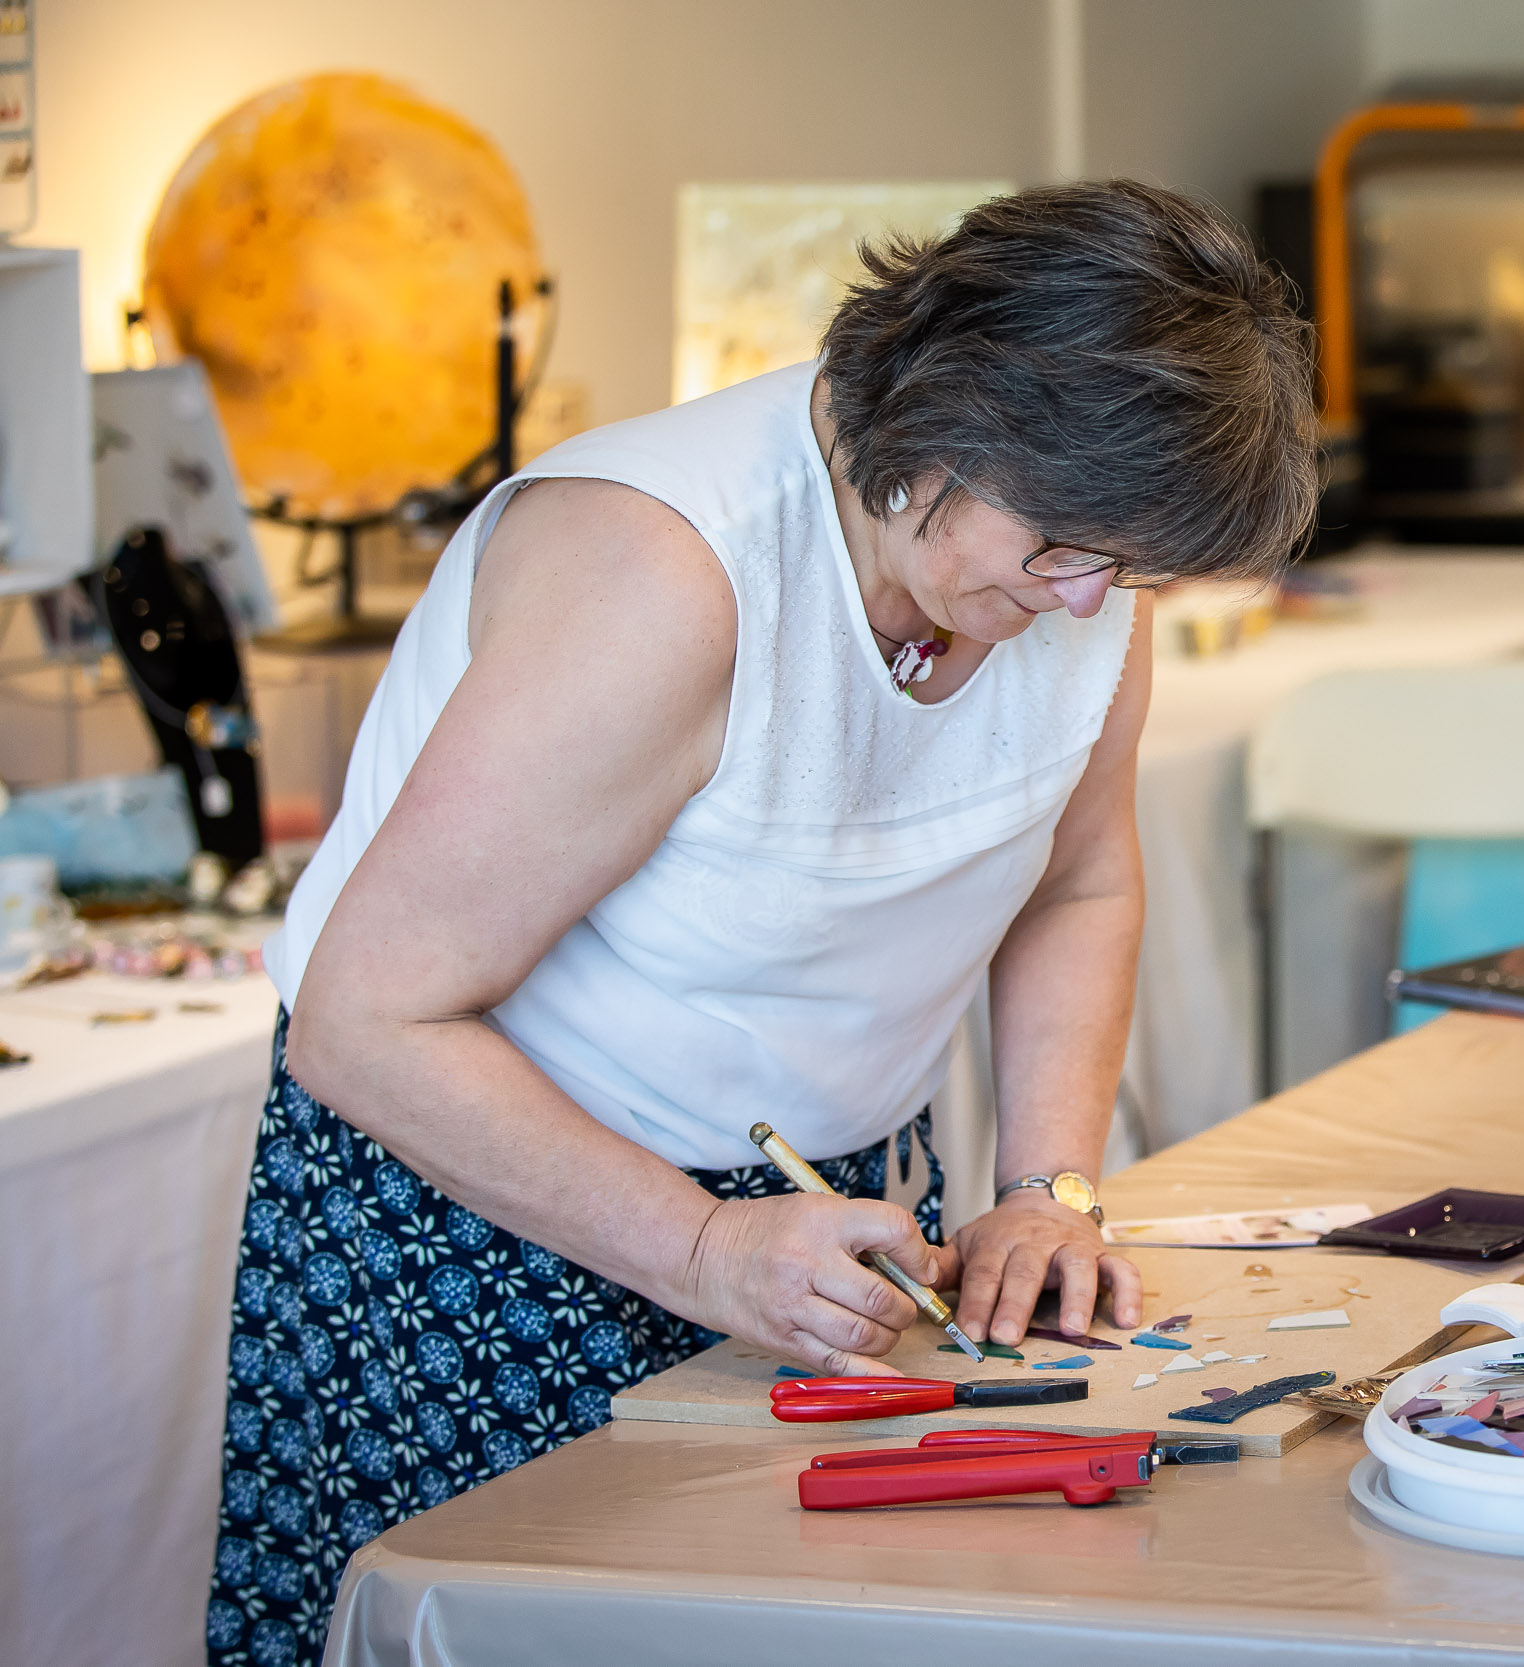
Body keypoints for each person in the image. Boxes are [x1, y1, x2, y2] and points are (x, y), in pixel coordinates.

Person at [207, 181, 1317, 1666]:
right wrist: (699, 1249)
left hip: (809, 1228)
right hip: (491, 1238)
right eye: (1063, 547)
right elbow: (368, 1020)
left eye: (1126, 568)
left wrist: (1049, 1189)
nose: (1087, 600)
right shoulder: (669, 573)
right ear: (946, 421)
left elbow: (1078, 881)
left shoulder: (1071, 581)